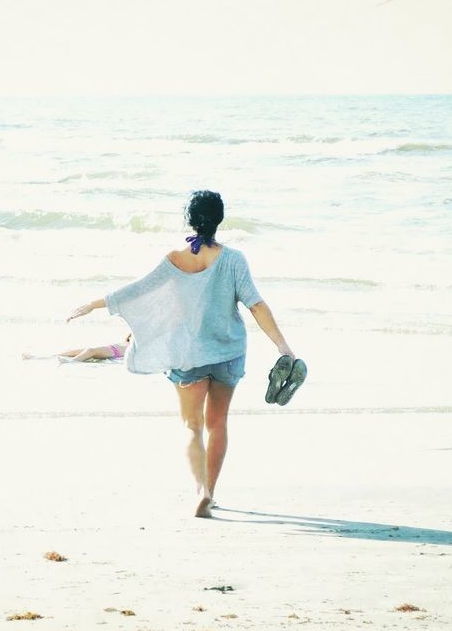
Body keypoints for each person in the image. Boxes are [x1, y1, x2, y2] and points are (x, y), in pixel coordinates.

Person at [68, 190, 298, 519]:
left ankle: (201, 491)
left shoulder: (175, 259)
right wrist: (282, 345)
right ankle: (212, 494)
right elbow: (256, 305)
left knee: (192, 425)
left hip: (187, 356)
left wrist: (96, 303)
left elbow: (138, 290)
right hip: (228, 354)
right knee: (217, 424)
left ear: (189, 220)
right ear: (219, 219)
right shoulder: (234, 260)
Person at [23, 334, 131, 363]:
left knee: (90, 350)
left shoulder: (136, 345)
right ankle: (38, 357)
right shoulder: (126, 340)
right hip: (109, 348)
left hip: (113, 352)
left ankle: (72, 362)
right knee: (70, 351)